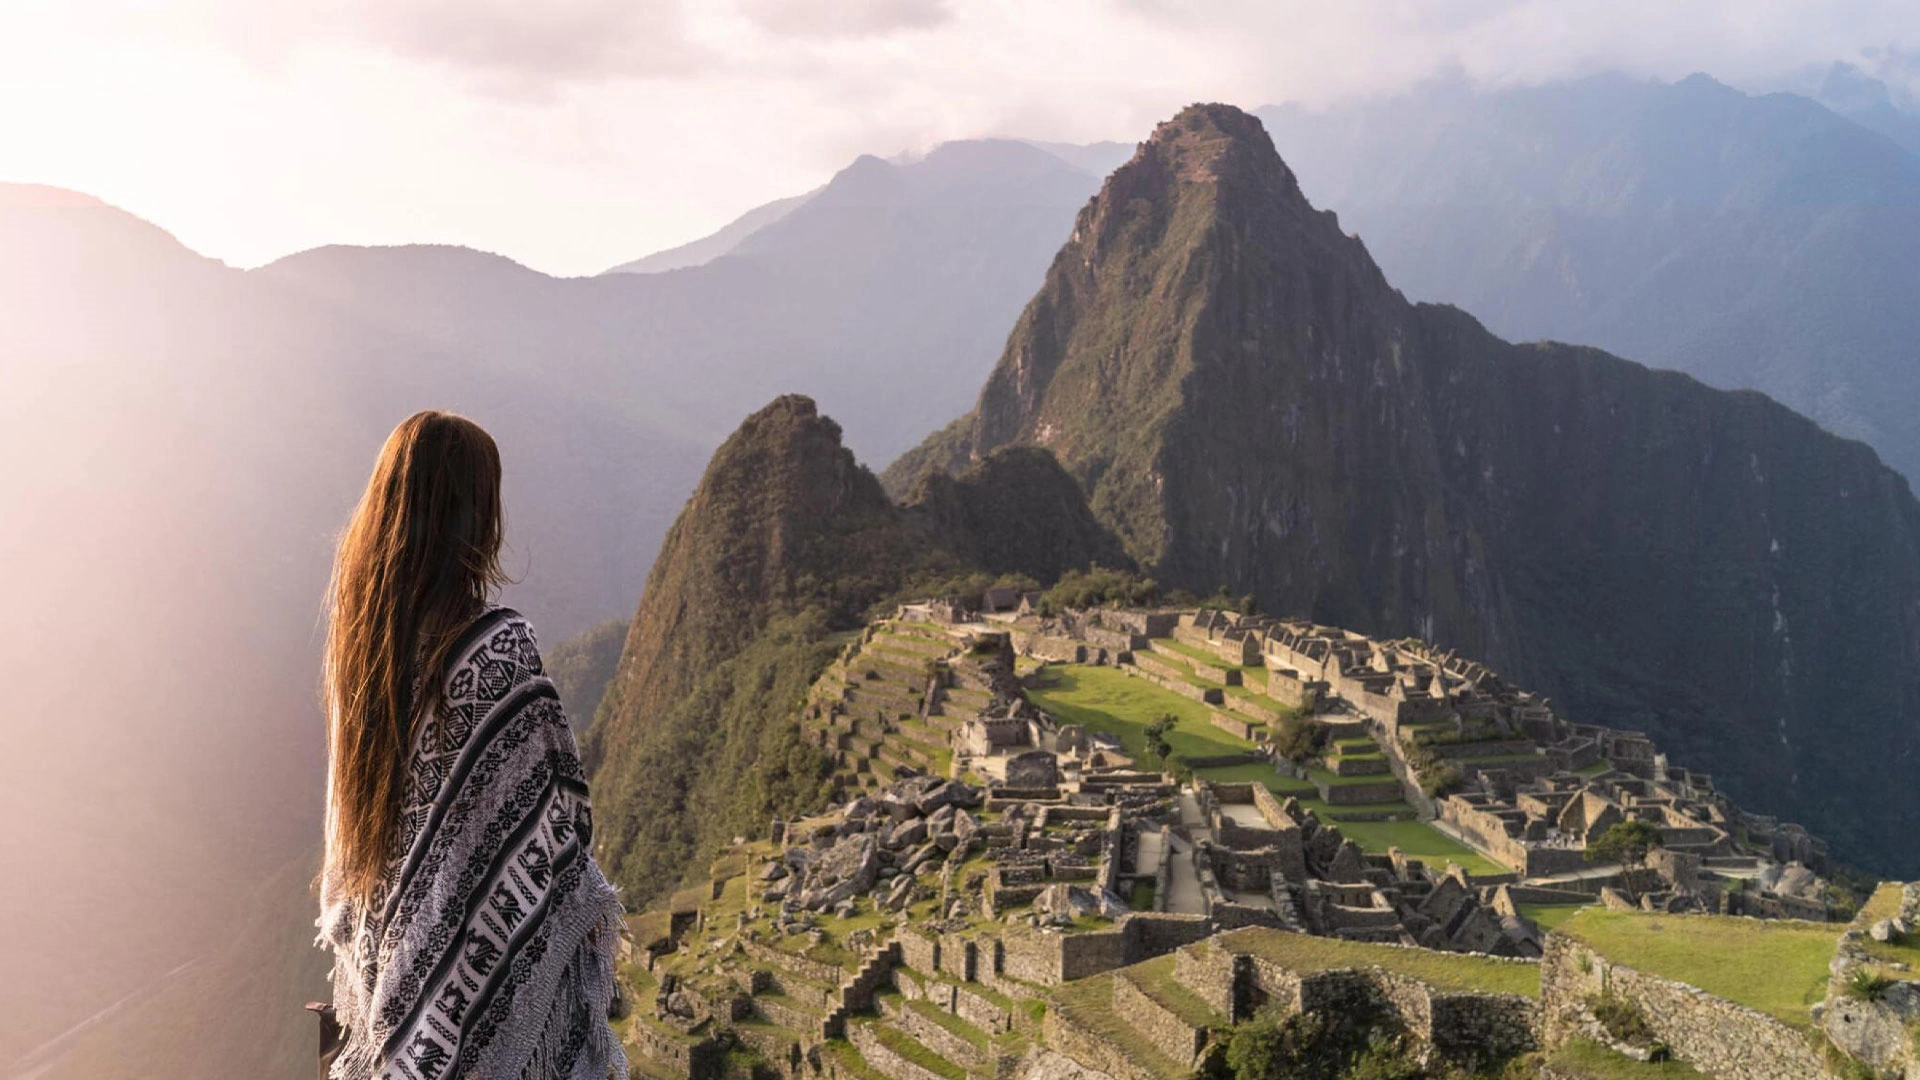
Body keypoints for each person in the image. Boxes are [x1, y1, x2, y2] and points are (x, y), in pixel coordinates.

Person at [315, 411, 627, 1080]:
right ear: (471, 512)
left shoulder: (362, 659)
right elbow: (560, 823)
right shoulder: (497, 650)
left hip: (395, 987)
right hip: (488, 993)